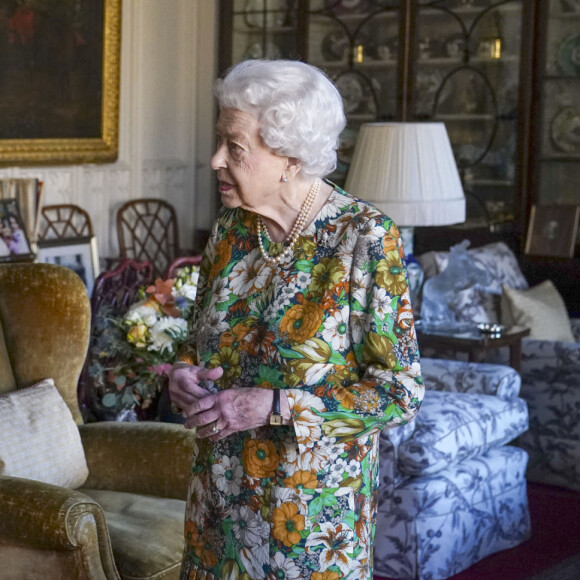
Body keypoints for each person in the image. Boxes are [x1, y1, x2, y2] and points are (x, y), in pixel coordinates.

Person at [169, 59, 424, 580]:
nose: (215, 159)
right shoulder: (232, 231)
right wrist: (184, 373)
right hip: (216, 507)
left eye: (234, 147)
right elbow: (199, 340)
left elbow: (400, 392)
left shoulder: (364, 239)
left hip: (309, 522)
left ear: (289, 157)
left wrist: (278, 406)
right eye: (220, 140)